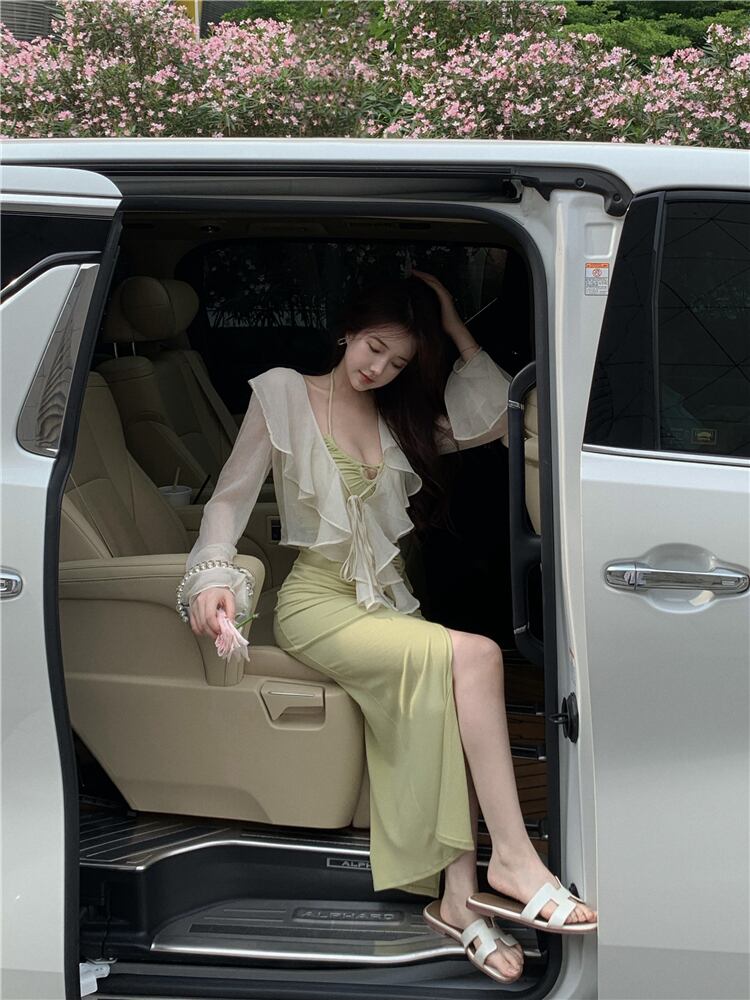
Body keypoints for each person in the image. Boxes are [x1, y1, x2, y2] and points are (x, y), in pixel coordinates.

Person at [180, 271, 597, 984]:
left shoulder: (398, 420)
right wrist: (214, 574)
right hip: (316, 603)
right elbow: (227, 500)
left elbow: (500, 420)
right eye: (374, 348)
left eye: (398, 361)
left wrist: (457, 330)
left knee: (448, 705)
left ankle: (459, 899)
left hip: (385, 602)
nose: (379, 368)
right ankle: (513, 858)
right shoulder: (283, 392)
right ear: (348, 331)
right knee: (478, 655)